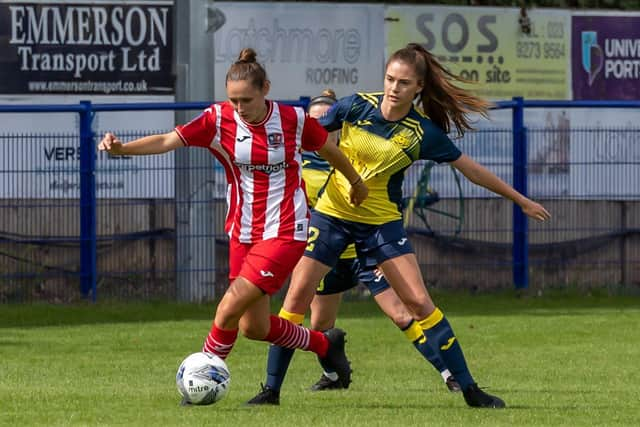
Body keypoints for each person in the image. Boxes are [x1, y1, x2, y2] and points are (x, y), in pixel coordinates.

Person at [248, 43, 551, 408]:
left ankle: (471, 391)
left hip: (379, 224)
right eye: (390, 79)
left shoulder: (422, 133)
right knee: (296, 298)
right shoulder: (354, 106)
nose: (393, 88)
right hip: (332, 217)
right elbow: (305, 134)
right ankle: (270, 391)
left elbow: (470, 169)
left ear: (419, 87)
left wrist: (520, 199)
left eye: (403, 83)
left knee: (419, 303)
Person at [97, 48, 368, 404]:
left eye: (247, 99)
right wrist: (122, 149)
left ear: (265, 88)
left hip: (285, 230)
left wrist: (356, 182)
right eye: (233, 100)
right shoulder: (217, 120)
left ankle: (200, 383)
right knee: (252, 326)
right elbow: (167, 140)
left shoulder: (292, 120)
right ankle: (323, 343)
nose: (240, 107)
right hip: (242, 232)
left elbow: (330, 149)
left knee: (227, 308)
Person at [250, 90, 460, 401]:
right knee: (321, 328)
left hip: (364, 254)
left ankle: (450, 374)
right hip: (327, 256)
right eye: (315, 121)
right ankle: (333, 375)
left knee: (402, 314)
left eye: (327, 120)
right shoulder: (298, 163)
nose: (322, 126)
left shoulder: (359, 156)